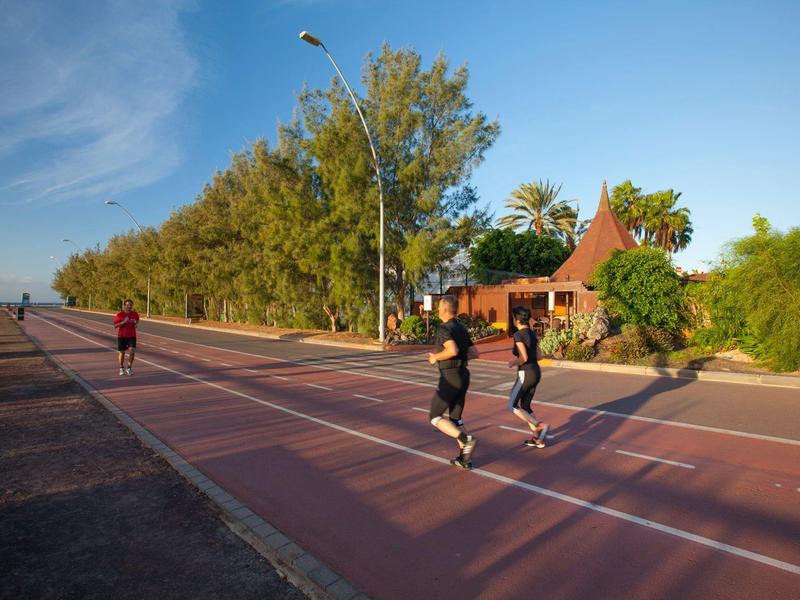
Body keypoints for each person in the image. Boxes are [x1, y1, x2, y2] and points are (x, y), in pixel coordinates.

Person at [427, 295, 480, 469]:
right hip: (464, 375)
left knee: (435, 417)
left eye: (438, 307)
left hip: (450, 377)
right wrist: (459, 360)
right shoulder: (462, 328)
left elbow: (452, 349)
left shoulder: (444, 328)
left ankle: (466, 440)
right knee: (455, 419)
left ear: (444, 309)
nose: (437, 310)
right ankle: (464, 458)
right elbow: (474, 353)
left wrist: (436, 357)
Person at [507, 306, 549, 448]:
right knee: (525, 405)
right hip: (536, 372)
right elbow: (539, 355)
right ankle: (538, 438)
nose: (513, 320)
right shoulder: (531, 333)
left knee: (512, 405)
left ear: (517, 320)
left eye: (513, 318)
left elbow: (523, 357)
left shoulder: (518, 335)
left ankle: (539, 426)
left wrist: (513, 363)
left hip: (525, 373)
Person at [113, 299, 139, 376]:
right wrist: (123, 322)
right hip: (122, 336)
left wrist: (135, 324)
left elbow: (136, 323)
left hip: (132, 336)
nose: (129, 306)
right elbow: (115, 325)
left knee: (132, 351)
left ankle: (129, 368)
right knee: (122, 353)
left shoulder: (135, 314)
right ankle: (121, 367)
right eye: (127, 305)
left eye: (130, 305)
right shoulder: (120, 315)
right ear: (124, 305)